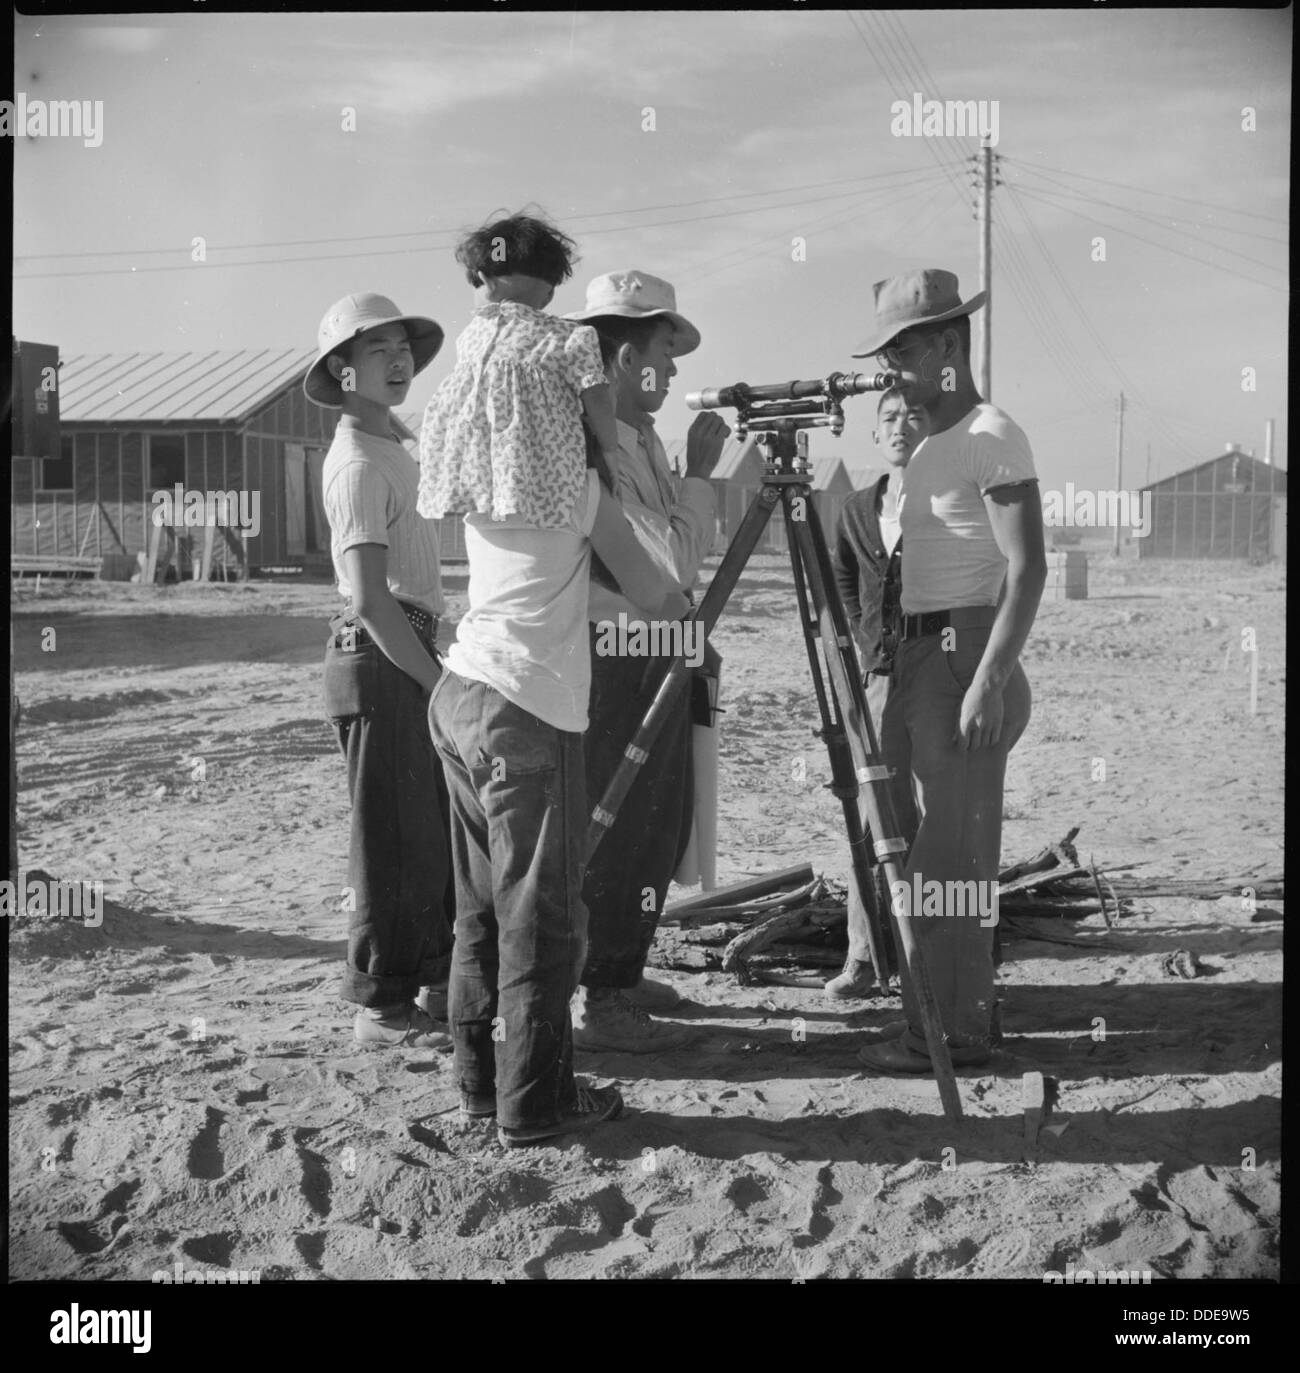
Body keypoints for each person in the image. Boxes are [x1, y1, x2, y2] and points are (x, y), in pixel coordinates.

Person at [418, 218, 691, 1147]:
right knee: (544, 918)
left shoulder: (493, 483)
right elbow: (658, 592)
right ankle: (535, 1106)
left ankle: (476, 1086)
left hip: (457, 693)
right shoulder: (575, 489)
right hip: (525, 706)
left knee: (479, 912)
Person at [849, 269, 1045, 1073]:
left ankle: (951, 1036)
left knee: (951, 865)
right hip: (920, 654)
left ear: (947, 347)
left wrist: (991, 679)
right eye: (886, 352)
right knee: (917, 848)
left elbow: (1027, 568)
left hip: (968, 657)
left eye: (902, 349)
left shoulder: (991, 435)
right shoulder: (930, 442)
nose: (890, 368)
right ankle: (948, 1017)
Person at [564, 270, 729, 1052]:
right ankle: (602, 991)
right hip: (619, 646)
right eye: (666, 353)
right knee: (622, 814)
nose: (673, 373)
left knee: (659, 821)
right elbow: (668, 565)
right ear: (627, 359)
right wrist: (701, 481)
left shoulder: (641, 440)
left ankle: (620, 972)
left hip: (656, 644)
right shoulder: (594, 444)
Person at [307, 291, 455, 1050]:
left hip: (411, 646)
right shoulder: (358, 461)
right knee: (394, 840)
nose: (399, 364)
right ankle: (380, 1009)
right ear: (343, 368)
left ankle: (421, 986)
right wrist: (437, 680)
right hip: (384, 655)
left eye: (404, 350)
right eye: (379, 353)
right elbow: (368, 596)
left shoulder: (393, 443)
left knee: (427, 833)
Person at [824, 386, 928, 1001]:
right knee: (874, 819)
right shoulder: (856, 510)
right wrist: (867, 658)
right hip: (879, 682)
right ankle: (865, 956)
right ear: (874, 435)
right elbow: (843, 583)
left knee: (938, 817)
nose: (900, 428)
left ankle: (935, 959)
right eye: (889, 418)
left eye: (913, 416)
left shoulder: (950, 503)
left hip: (941, 675)